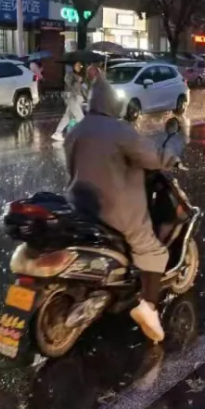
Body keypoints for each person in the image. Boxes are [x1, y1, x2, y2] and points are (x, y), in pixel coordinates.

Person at [64, 67, 172, 342]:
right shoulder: (120, 130)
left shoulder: (76, 130)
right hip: (115, 209)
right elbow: (150, 157)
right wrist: (170, 158)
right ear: (113, 104)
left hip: (80, 203)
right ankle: (148, 307)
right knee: (151, 248)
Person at [52, 61, 86, 142]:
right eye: (77, 65)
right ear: (73, 66)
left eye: (80, 65)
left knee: (67, 117)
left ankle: (57, 133)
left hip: (77, 99)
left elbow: (82, 89)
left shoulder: (80, 76)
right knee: (80, 117)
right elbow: (70, 85)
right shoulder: (70, 75)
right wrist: (77, 81)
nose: (79, 67)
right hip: (72, 98)